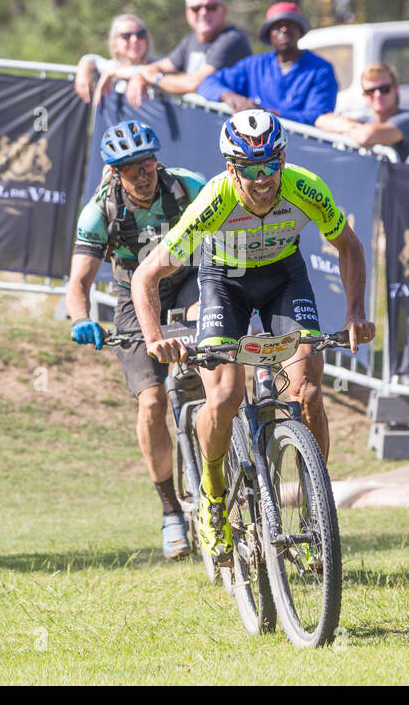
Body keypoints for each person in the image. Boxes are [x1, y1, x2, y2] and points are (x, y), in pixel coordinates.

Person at [131, 110, 374, 565]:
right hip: (226, 282)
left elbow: (350, 246)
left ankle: (314, 508)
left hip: (285, 277)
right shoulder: (213, 201)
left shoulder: (306, 187)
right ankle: (213, 495)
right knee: (224, 396)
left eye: (270, 166)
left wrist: (356, 311)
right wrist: (155, 337)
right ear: (231, 168)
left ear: (283, 159)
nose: (262, 179)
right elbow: (146, 275)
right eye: (249, 168)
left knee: (308, 393)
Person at [66, 121, 207, 559]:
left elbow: (225, 243)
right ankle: (170, 511)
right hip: (133, 295)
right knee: (151, 402)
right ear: (114, 173)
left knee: (216, 371)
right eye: (130, 169)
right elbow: (78, 282)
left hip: (187, 282)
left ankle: (223, 480)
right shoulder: (99, 211)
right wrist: (81, 319)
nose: (142, 175)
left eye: (146, 163)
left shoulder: (189, 188)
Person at [196, 2, 337, 127]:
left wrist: (270, 116)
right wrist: (229, 96)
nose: (284, 30)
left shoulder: (321, 69)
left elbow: (318, 115)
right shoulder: (253, 66)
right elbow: (207, 83)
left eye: (290, 24)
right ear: (269, 34)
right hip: (256, 148)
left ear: (300, 30)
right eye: (277, 26)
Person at [115, 0, 253, 108]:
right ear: (188, 13)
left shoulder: (232, 39)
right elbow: (162, 66)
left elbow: (195, 83)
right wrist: (140, 76)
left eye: (211, 7)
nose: (203, 12)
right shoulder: (190, 39)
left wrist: (154, 78)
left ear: (224, 10)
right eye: (196, 8)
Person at [314, 62, 409, 161]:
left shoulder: (408, 119)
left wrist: (348, 127)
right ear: (364, 95)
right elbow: (321, 120)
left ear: (396, 89)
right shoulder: (366, 121)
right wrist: (350, 126)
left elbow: (367, 136)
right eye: (371, 91)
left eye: (384, 89)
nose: (377, 95)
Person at [73, 14, 154, 105]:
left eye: (140, 35)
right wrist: (84, 68)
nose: (134, 39)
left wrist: (113, 73)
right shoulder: (113, 66)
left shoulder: (159, 65)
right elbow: (91, 59)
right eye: (126, 36)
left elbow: (151, 72)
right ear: (114, 43)